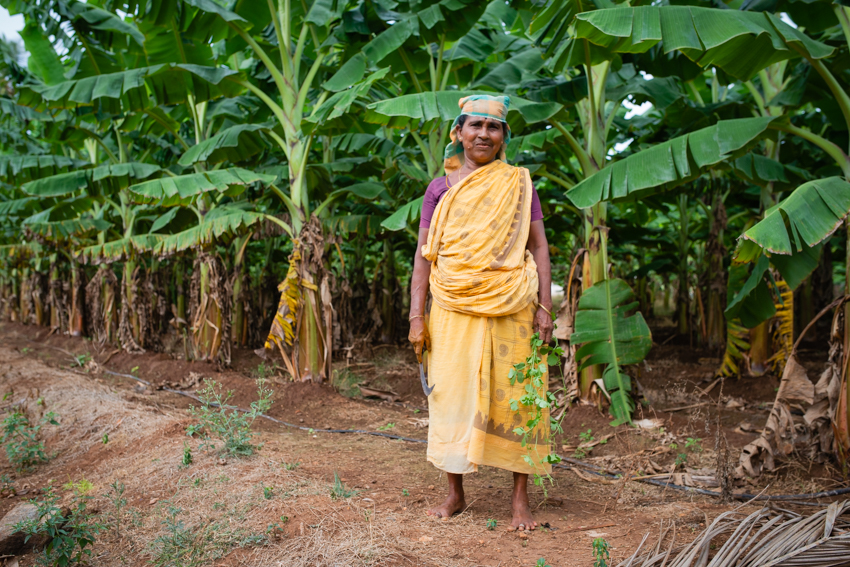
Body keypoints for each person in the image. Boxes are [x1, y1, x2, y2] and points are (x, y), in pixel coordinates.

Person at [408, 94, 554, 532]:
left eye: (493, 128)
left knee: (518, 398)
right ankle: (454, 492)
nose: (484, 135)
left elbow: (539, 246)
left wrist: (545, 308)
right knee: (450, 395)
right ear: (459, 132)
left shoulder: (520, 184)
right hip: (451, 306)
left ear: (504, 136)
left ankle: (520, 501)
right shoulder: (439, 189)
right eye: (475, 126)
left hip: (513, 303)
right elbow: (423, 257)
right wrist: (417, 316)